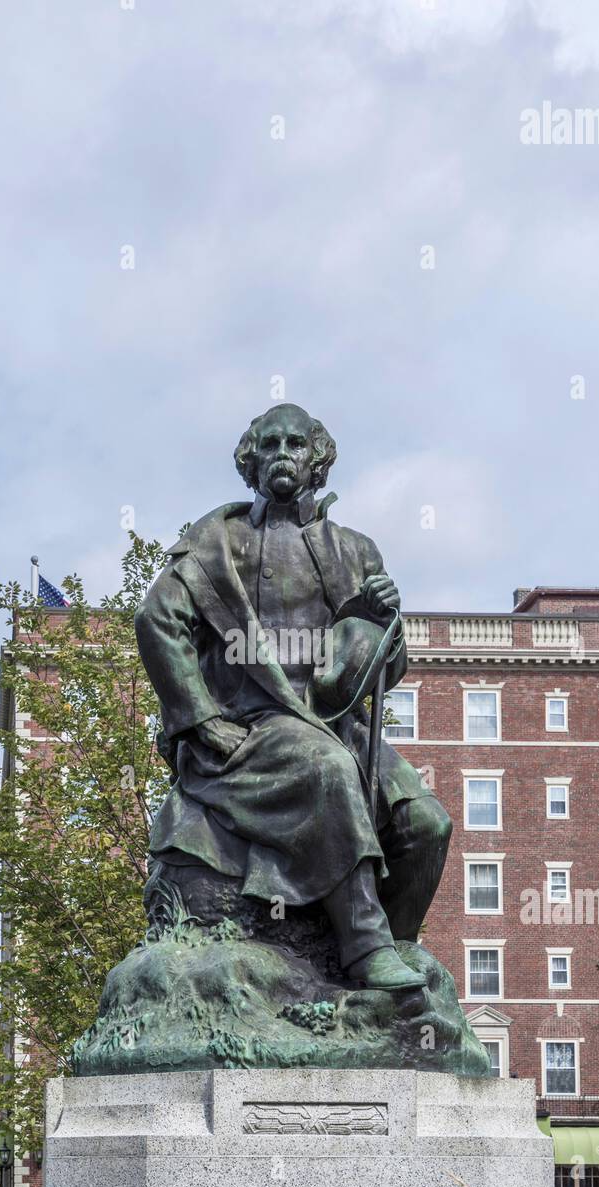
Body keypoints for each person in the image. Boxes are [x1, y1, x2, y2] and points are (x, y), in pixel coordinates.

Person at [135, 403, 453, 991]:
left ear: (317, 460)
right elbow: (158, 621)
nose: (283, 454)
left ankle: (394, 960)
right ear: (249, 462)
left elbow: (385, 668)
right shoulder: (216, 542)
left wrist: (387, 622)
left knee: (427, 824)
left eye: (296, 444)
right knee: (328, 769)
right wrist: (201, 718)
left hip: (339, 721)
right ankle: (365, 950)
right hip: (256, 719)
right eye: (270, 445)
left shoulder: (357, 550)